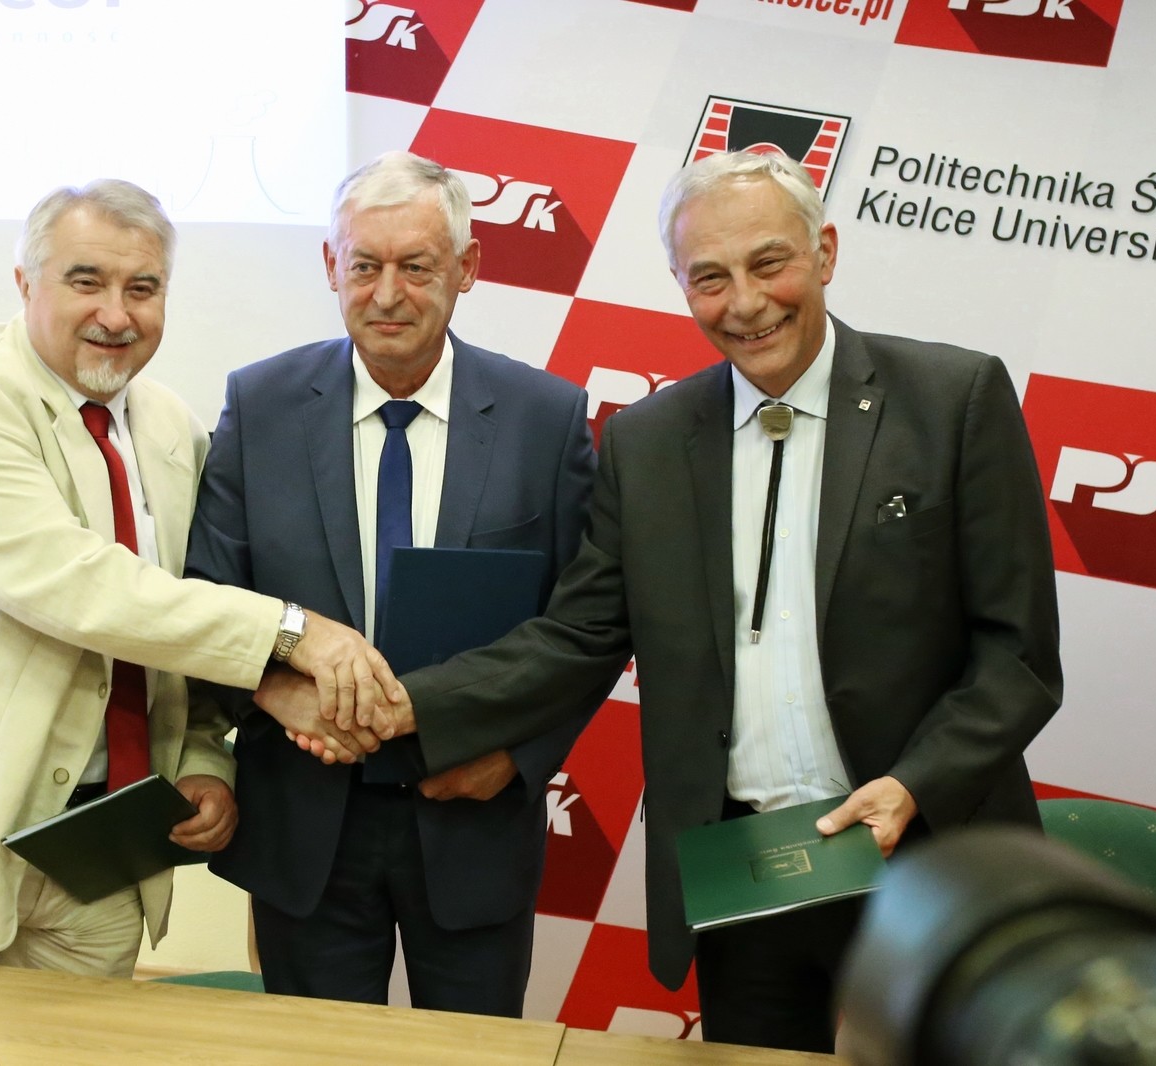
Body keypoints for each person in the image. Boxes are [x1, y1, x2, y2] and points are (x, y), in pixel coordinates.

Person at [268, 151, 1063, 1050]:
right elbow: (576, 636)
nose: (745, 303)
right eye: (709, 278)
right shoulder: (647, 442)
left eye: (769, 264)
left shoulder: (954, 401)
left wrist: (913, 785)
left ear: (826, 252)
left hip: (928, 854)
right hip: (752, 872)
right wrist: (399, 706)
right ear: (681, 285)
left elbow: (1019, 656)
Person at [0, 178, 400, 978]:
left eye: (142, 289)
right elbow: (83, 590)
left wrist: (202, 760)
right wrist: (294, 634)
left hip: (98, 854)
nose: (116, 315)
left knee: (76, 1046)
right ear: (25, 283)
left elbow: (184, 611)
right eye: (87, 282)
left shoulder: (173, 426)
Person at [185, 151, 597, 1016]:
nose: (387, 294)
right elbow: (208, 595)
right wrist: (274, 691)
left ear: (467, 268)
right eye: (365, 266)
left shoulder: (545, 417)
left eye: (417, 267)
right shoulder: (259, 406)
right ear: (331, 266)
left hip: (473, 817)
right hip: (305, 822)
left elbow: (585, 623)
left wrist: (518, 759)